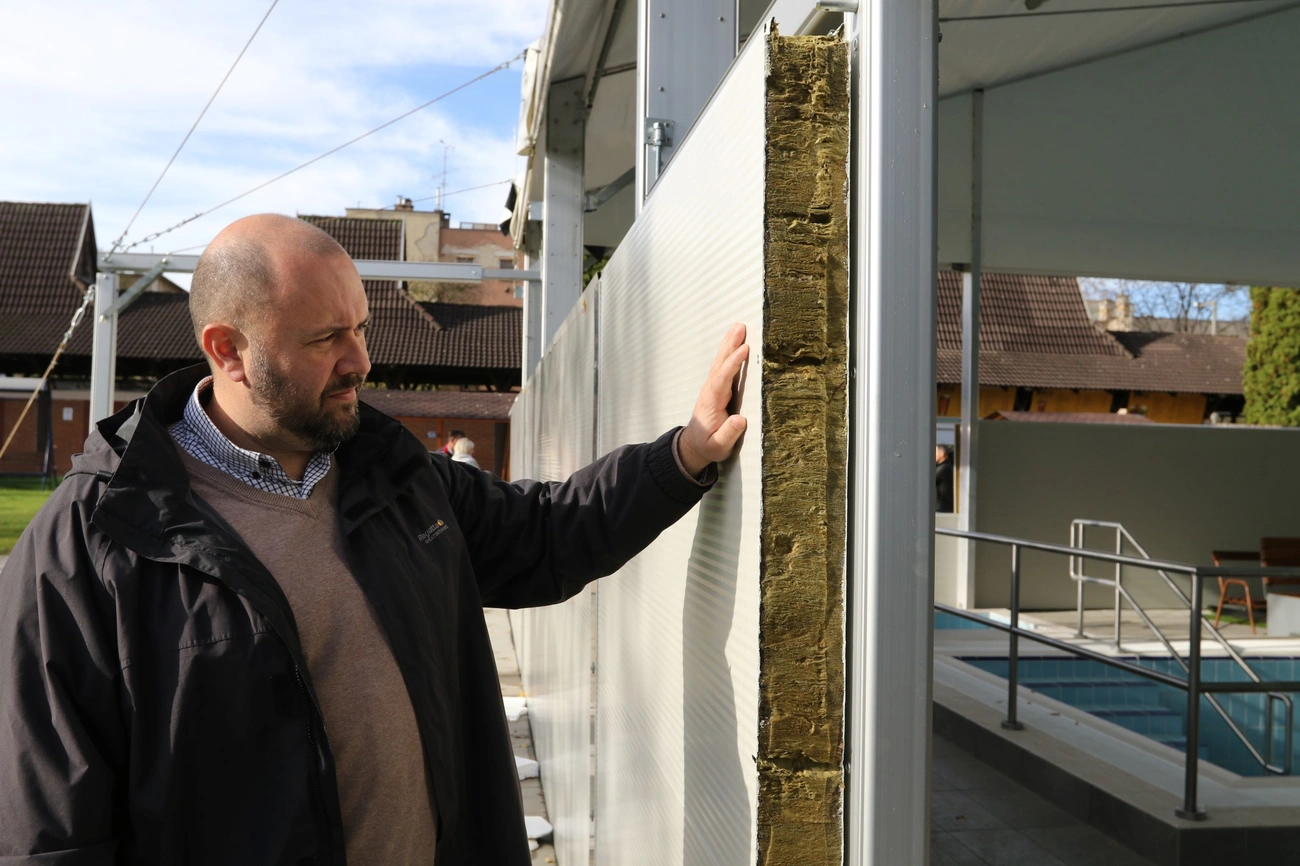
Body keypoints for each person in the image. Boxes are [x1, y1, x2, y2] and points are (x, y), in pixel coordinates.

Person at [0, 214, 749, 865]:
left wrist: (682, 455)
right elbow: (50, 834)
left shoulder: (395, 477)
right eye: (327, 337)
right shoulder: (88, 547)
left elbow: (548, 533)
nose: (360, 359)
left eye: (360, 327)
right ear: (228, 350)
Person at [935, 443, 954, 513]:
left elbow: (929, 480)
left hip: (942, 506)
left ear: (942, 453)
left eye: (936, 452)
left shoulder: (944, 468)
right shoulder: (944, 466)